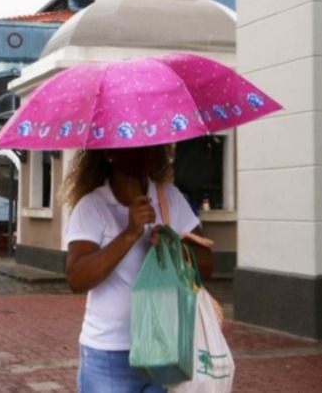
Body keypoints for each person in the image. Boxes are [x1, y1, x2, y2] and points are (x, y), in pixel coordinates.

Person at [63, 145, 213, 393]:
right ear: (110, 152)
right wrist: (130, 233)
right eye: (130, 147)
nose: (142, 152)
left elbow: (207, 266)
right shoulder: (93, 206)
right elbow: (77, 279)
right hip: (109, 355)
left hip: (165, 350)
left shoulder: (169, 198)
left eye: (149, 146)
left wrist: (174, 248)